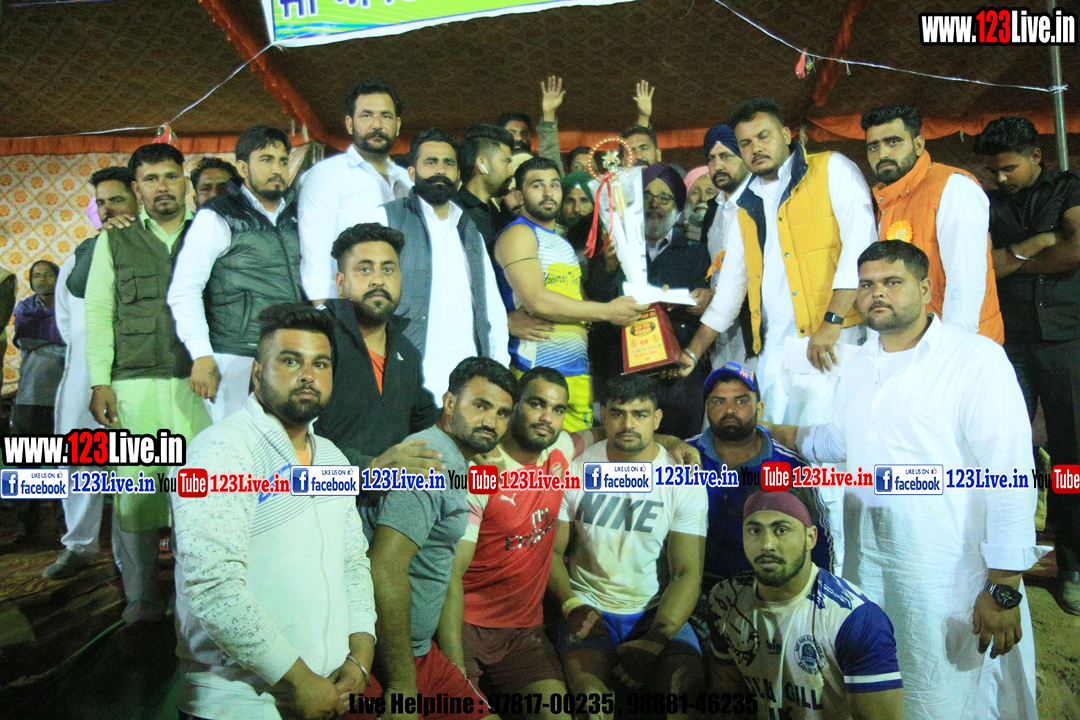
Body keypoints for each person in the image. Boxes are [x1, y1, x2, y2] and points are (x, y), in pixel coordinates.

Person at [767, 241, 1044, 720]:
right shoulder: (859, 363)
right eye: (867, 285)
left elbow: (1011, 474)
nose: (877, 293)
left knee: (949, 692)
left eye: (892, 282)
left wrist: (1004, 585)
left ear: (926, 288)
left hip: (947, 576)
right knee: (883, 683)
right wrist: (766, 432)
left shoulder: (975, 360)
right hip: (871, 568)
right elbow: (834, 441)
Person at [171, 303, 375, 720]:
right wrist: (299, 679)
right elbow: (214, 587)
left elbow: (353, 562)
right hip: (237, 704)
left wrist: (360, 655)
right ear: (257, 372)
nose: (308, 375)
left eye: (320, 364)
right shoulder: (220, 451)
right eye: (290, 361)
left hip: (327, 693)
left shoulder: (332, 458)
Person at [673, 98, 876, 431]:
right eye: (745, 143)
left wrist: (832, 323)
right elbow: (730, 291)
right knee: (776, 444)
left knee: (827, 444)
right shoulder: (745, 205)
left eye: (763, 137)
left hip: (831, 340)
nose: (755, 148)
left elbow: (861, 249)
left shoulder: (832, 169)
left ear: (785, 134)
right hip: (774, 349)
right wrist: (693, 353)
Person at [84, 143, 212, 626]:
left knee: (196, 499)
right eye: (151, 179)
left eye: (170, 176)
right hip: (133, 386)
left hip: (198, 386)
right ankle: (141, 600)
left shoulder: (210, 233)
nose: (162, 187)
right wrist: (100, 382)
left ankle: (193, 606)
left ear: (185, 182)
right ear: (136, 189)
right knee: (137, 501)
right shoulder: (114, 241)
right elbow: (99, 312)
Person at [356, 357, 513, 719]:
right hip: (387, 661)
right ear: (450, 403)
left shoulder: (456, 461)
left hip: (422, 652)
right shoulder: (430, 460)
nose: (491, 422)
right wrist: (401, 685)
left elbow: (440, 568)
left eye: (502, 413)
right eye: (480, 406)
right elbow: (384, 568)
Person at [973, 115, 1080, 615]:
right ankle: (1004, 558)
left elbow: (1077, 250)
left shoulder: (1069, 188)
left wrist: (1011, 260)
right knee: (1006, 454)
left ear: (1036, 155)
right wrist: (1038, 242)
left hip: (1066, 340)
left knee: (1071, 458)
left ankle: (1072, 564)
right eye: (993, 170)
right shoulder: (987, 203)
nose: (1001, 178)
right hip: (1008, 345)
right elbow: (985, 266)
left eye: (1009, 168)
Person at [557, 374, 708, 719]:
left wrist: (656, 640)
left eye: (640, 414)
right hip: (590, 605)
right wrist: (571, 605)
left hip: (655, 609)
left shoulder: (682, 476)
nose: (628, 424)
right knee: (592, 706)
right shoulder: (575, 468)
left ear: (657, 419)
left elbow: (687, 572)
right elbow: (551, 553)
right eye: (617, 413)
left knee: (682, 693)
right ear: (603, 415)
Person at [441, 367, 577, 720]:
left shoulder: (560, 451)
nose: (547, 418)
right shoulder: (482, 471)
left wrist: (673, 443)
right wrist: (454, 669)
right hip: (465, 627)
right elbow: (450, 574)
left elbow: (603, 434)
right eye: (536, 404)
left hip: (524, 634)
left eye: (558, 409)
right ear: (514, 406)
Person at [708, 491, 904, 720]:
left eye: (781, 530)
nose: (767, 544)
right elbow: (727, 694)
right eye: (755, 531)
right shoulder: (725, 599)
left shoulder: (853, 618)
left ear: (810, 537)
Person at [685, 362, 836, 645]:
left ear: (760, 408)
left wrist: (817, 604)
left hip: (767, 590)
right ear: (706, 408)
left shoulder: (788, 464)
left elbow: (818, 540)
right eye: (719, 401)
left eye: (741, 401)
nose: (730, 410)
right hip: (691, 587)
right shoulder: (682, 455)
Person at [494, 156, 648, 432]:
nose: (548, 192)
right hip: (536, 370)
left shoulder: (561, 243)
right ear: (518, 195)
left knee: (575, 453)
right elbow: (536, 300)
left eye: (554, 184)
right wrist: (607, 311)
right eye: (537, 185)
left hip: (576, 370)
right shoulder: (518, 234)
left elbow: (579, 305)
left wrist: (641, 301)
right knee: (536, 452)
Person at [168, 125, 306, 422]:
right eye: (266, 159)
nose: (277, 169)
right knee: (238, 443)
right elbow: (185, 289)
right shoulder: (218, 214)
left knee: (289, 441)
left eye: (283, 161)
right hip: (235, 356)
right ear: (243, 168)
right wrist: (201, 354)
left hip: (291, 350)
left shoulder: (298, 214)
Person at [364, 128, 511, 401]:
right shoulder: (387, 219)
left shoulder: (470, 230)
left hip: (466, 385)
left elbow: (492, 308)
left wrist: (498, 370)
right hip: (405, 378)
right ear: (412, 173)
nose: (440, 170)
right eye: (431, 162)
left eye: (448, 163)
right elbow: (364, 299)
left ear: (458, 175)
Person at [43, 168, 140, 578]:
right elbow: (67, 321)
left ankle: (127, 557)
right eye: (101, 202)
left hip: (136, 371)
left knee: (132, 465)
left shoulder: (155, 249)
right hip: (85, 372)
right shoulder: (79, 256)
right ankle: (79, 546)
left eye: (117, 200)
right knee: (79, 457)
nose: (108, 209)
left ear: (137, 198)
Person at [587, 163, 712, 438]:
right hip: (622, 375)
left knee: (679, 451)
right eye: (647, 197)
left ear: (678, 206)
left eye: (665, 198)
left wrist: (676, 302)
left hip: (676, 377)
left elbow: (704, 306)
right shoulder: (614, 246)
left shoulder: (696, 252)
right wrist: (609, 266)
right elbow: (598, 301)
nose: (655, 204)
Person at [862, 103, 1003, 341]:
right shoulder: (886, 201)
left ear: (918, 144)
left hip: (957, 344)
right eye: (873, 146)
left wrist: (951, 348)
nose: (882, 154)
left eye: (893, 142)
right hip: (911, 343)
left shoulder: (953, 186)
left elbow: (966, 280)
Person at [313, 223, 442, 475]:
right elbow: (289, 441)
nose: (378, 280)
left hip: (392, 492)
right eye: (365, 269)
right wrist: (370, 469)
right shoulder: (314, 338)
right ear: (340, 283)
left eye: (388, 269)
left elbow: (425, 421)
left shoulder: (407, 351)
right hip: (319, 492)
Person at [299, 78, 412, 303]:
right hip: (350, 309)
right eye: (366, 116)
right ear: (350, 124)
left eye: (386, 116)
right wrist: (325, 312)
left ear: (398, 125)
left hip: (406, 308)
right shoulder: (326, 175)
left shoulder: (408, 181)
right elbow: (316, 256)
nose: (377, 125)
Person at [10, 260, 66, 542]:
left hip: (62, 398)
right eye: (36, 276)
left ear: (59, 277)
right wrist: (57, 337)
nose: (41, 279)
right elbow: (25, 336)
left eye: (47, 274)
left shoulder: (70, 305)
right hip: (30, 396)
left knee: (63, 466)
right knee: (26, 467)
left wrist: (46, 333)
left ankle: (64, 531)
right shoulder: (24, 307)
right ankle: (26, 530)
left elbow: (71, 337)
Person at [699, 124, 753, 371]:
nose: (717, 165)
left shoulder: (759, 205)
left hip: (755, 332)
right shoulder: (713, 210)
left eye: (726, 156)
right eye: (711, 159)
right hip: (718, 336)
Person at [454, 124, 516, 250]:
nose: (511, 171)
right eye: (506, 162)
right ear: (481, 164)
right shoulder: (453, 211)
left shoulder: (496, 213)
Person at [682, 166, 718, 242]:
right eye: (695, 192)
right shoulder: (674, 237)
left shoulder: (726, 236)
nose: (702, 198)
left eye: (709, 192)